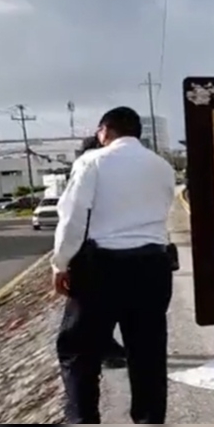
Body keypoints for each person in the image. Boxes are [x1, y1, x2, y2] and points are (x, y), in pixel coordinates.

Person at [54, 107, 176, 424]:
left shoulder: (92, 161)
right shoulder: (162, 167)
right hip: (153, 266)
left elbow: (72, 219)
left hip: (101, 269)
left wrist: (61, 264)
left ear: (105, 130)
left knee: (79, 353)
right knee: (148, 355)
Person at [77, 135, 128, 370]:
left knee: (103, 307)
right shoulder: (91, 172)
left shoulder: (89, 172)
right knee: (100, 308)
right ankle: (103, 350)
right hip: (95, 252)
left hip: (96, 251)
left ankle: (105, 348)